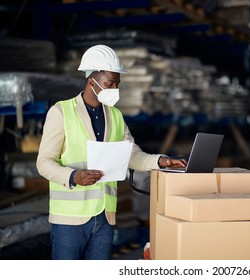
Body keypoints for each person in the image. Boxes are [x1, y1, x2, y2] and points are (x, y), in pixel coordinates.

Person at [36, 44, 187, 260]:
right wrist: (73, 176)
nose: (114, 88)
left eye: (117, 84)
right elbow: (44, 162)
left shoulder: (115, 115)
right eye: (110, 83)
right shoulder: (61, 112)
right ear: (91, 81)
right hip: (70, 219)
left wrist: (161, 161)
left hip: (105, 216)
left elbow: (131, 155)